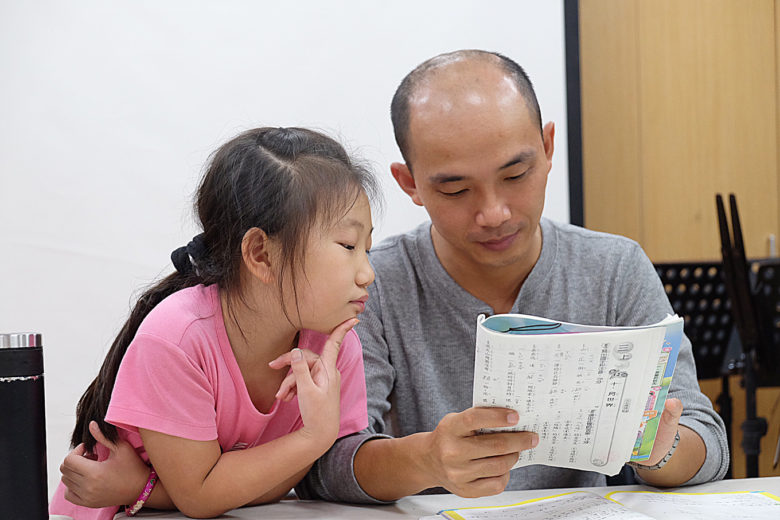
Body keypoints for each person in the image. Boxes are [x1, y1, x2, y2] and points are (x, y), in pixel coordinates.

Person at [294, 50, 729, 503]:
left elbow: (708, 442)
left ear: (548, 148)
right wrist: (425, 460)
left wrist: (661, 451)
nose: (494, 213)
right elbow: (324, 465)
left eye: (516, 175)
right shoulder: (372, 285)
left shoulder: (613, 268)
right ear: (410, 183)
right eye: (456, 189)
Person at [49, 127, 379, 519]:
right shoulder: (177, 338)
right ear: (261, 254)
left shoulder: (333, 348)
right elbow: (200, 496)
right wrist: (313, 436)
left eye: (367, 249)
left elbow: (261, 489)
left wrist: (143, 487)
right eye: (348, 246)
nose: (368, 274)